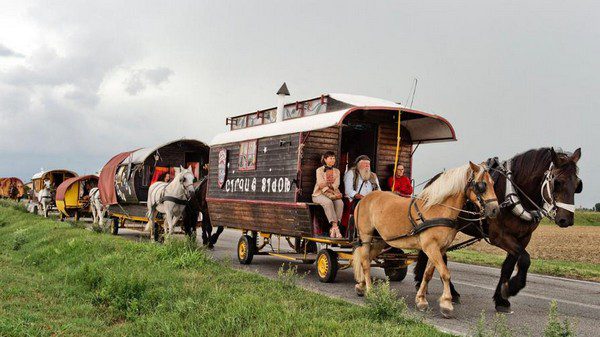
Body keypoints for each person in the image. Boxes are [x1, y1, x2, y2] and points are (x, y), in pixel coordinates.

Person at [312, 151, 344, 238]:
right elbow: (321, 184)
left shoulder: (337, 171)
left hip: (333, 193)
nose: (332, 160)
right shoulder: (319, 170)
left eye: (334, 158)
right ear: (325, 159)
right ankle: (335, 227)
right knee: (328, 202)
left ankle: (334, 228)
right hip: (318, 194)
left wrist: (334, 192)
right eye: (330, 158)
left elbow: (336, 184)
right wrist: (333, 192)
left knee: (340, 203)